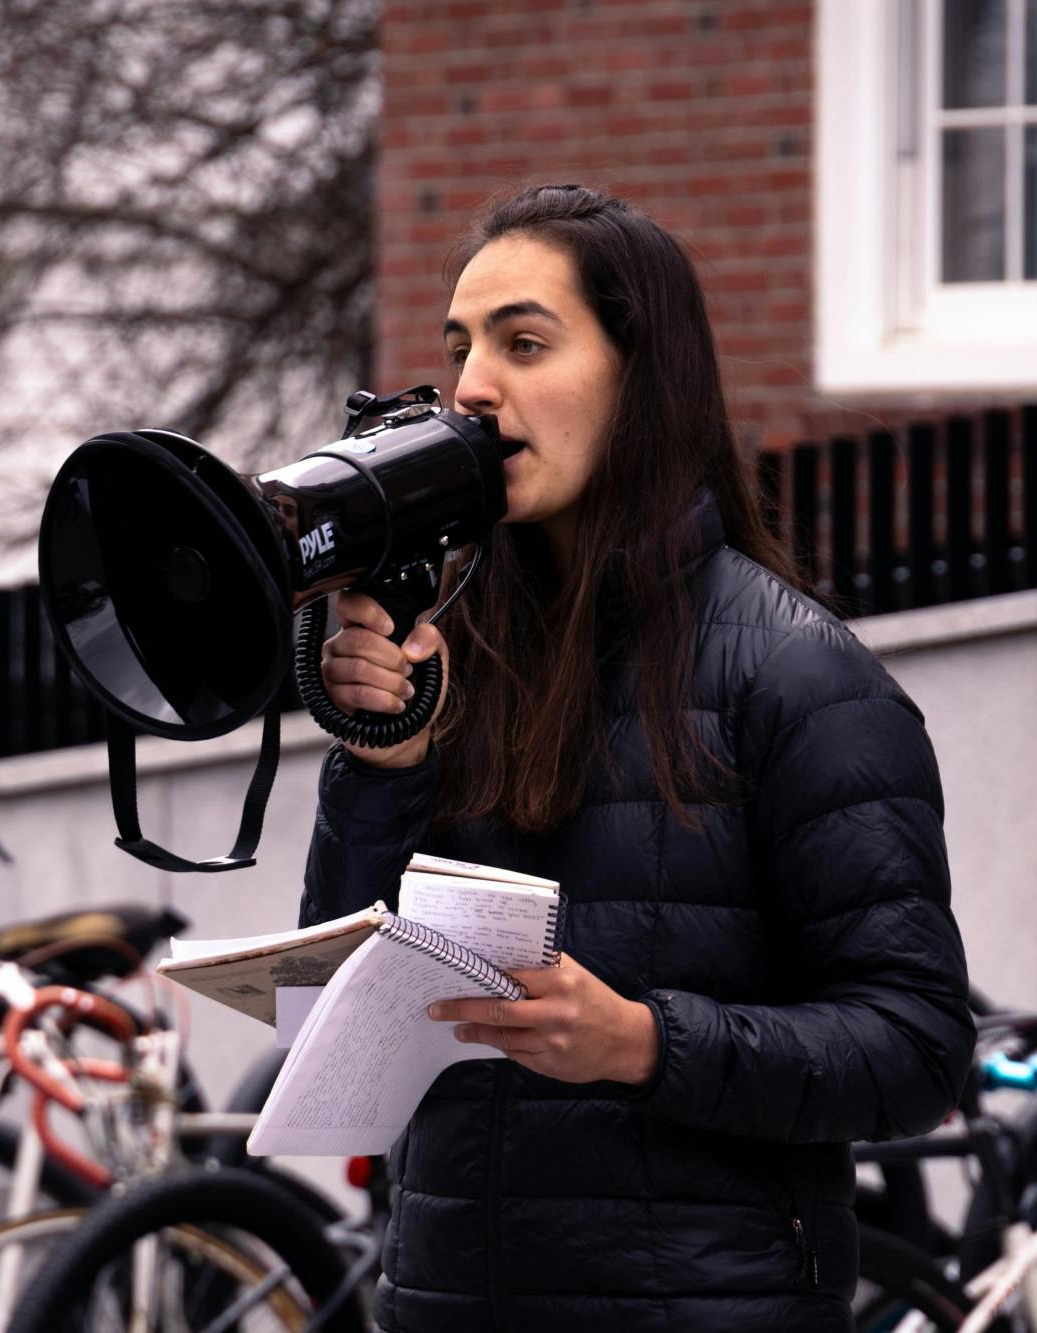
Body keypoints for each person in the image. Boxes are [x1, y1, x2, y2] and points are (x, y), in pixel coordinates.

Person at [306, 184, 974, 1330]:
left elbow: (914, 1049)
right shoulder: (452, 654)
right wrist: (385, 763)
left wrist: (641, 1042)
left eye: (523, 344)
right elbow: (327, 1013)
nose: (471, 388)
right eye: (460, 350)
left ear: (640, 377)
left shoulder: (798, 678)